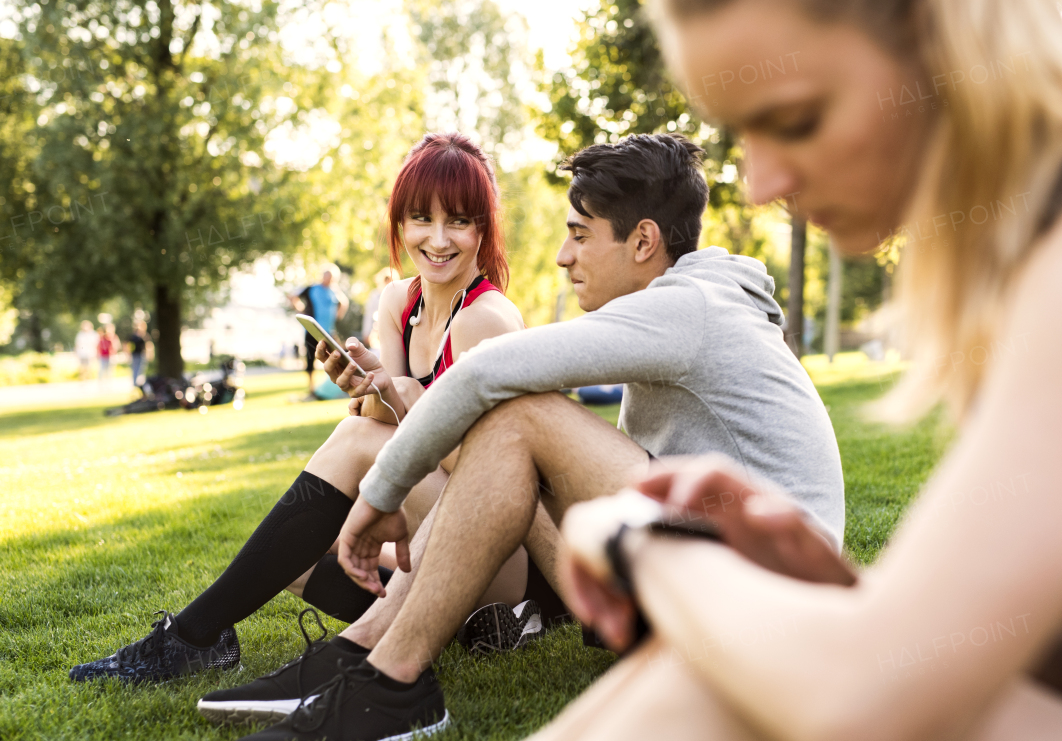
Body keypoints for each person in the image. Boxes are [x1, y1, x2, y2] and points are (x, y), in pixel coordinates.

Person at [522, 0, 1062, 739]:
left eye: (796, 119)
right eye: (744, 135)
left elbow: (866, 701)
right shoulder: (1037, 259)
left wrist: (649, 541)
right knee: (725, 680)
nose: (766, 183)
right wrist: (850, 600)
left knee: (729, 691)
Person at [215, 132, 845, 741]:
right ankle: (366, 657)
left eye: (579, 234)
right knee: (513, 417)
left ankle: (388, 680)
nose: (563, 256)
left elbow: (486, 373)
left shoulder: (690, 308)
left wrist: (380, 494)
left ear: (644, 241)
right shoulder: (683, 304)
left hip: (760, 607)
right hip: (698, 584)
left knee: (518, 411)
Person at [69, 134, 534, 706]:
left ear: (483, 230)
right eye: (421, 219)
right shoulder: (398, 304)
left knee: (356, 440)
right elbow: (380, 415)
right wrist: (365, 386)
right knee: (292, 561)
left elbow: (495, 472)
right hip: (427, 537)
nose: (437, 241)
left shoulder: (484, 320)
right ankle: (442, 625)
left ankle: (191, 638)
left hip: (495, 558)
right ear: (400, 223)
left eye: (458, 222)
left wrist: (407, 395)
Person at [289, 265, 350, 396]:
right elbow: (293, 296)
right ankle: (311, 388)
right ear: (323, 276)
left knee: (339, 357)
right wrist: (300, 309)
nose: (328, 279)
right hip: (312, 329)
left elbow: (344, 303)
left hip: (329, 331)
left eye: (331, 277)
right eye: (327, 276)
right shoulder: (312, 288)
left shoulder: (335, 291)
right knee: (310, 358)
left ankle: (342, 385)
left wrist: (338, 314)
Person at [362, 268, 397, 349]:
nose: (388, 282)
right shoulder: (374, 295)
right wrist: (366, 332)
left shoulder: (396, 296)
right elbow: (369, 315)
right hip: (375, 331)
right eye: (386, 279)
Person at [127, 318, 150, 390]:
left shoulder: (144, 335)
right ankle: (135, 383)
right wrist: (128, 353)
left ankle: (140, 383)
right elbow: (128, 344)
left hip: (141, 354)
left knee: (141, 369)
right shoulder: (133, 336)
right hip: (135, 354)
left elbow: (147, 345)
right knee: (135, 369)